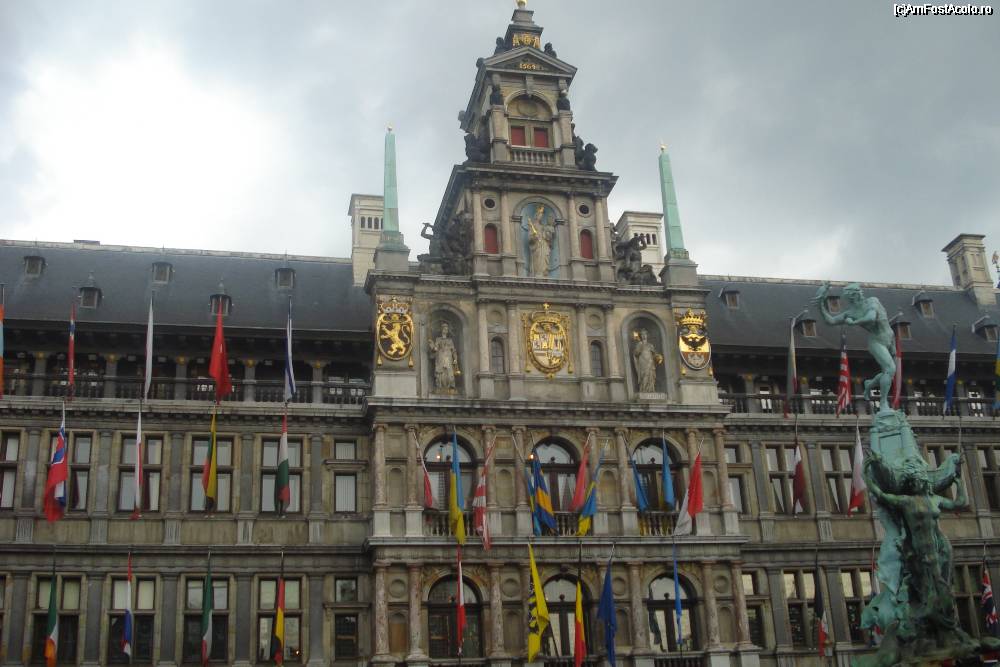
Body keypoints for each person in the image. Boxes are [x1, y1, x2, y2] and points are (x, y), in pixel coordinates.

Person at [812, 282, 895, 412]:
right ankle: (884, 403)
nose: (847, 300)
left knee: (889, 372)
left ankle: (869, 384)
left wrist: (854, 322)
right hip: (876, 341)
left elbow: (871, 317)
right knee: (890, 369)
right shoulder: (850, 313)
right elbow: (831, 321)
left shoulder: (872, 301)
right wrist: (820, 306)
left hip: (890, 338)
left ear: (855, 295)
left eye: (848, 297)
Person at [428, 322, 460, 393]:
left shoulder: (450, 340)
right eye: (444, 328)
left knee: (449, 372)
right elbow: (435, 349)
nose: (445, 330)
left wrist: (455, 359)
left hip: (448, 357)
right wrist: (432, 345)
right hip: (441, 357)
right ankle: (440, 386)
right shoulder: (438, 339)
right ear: (441, 329)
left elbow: (453, 350)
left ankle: (451, 387)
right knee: (441, 372)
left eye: (446, 329)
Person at [527, 205, 554, 277]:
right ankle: (537, 274)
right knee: (538, 259)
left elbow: (548, 238)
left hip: (544, 245)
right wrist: (534, 237)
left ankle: (544, 273)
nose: (540, 217)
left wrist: (548, 235)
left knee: (545, 259)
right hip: (537, 245)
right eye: (539, 215)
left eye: (541, 215)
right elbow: (530, 239)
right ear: (536, 216)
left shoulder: (543, 226)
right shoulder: (533, 225)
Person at [632, 329, 660, 393]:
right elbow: (636, 353)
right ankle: (643, 389)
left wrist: (658, 357)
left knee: (650, 375)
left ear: (647, 335)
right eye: (642, 334)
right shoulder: (639, 344)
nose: (644, 336)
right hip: (642, 362)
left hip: (650, 361)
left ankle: (651, 389)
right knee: (644, 374)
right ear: (640, 336)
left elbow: (654, 354)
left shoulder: (650, 345)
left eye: (645, 334)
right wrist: (640, 348)